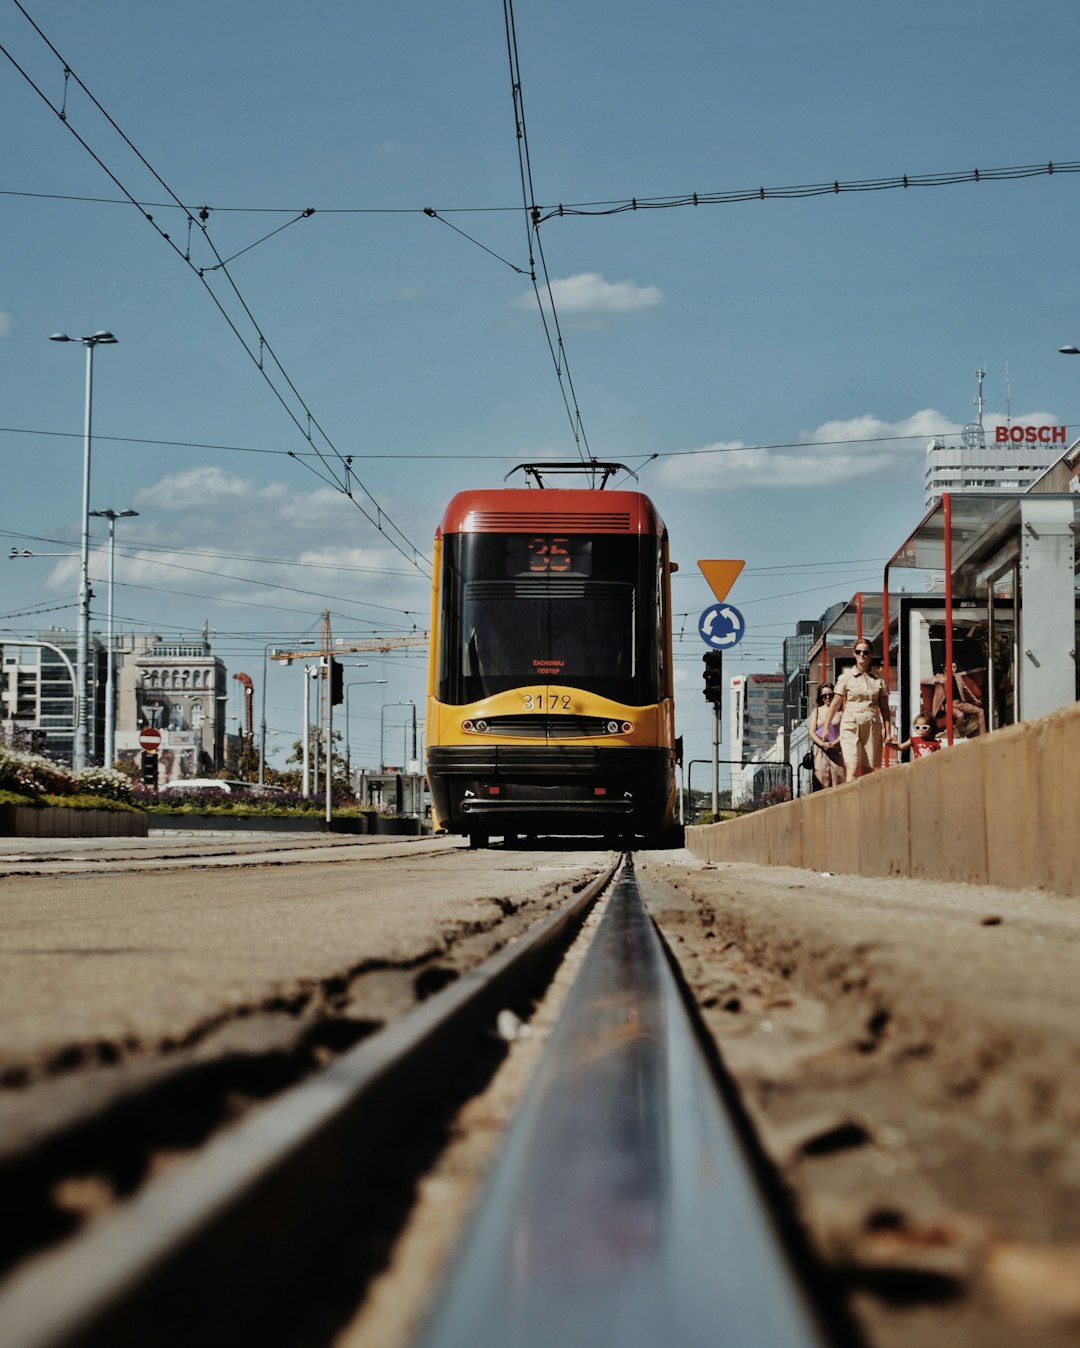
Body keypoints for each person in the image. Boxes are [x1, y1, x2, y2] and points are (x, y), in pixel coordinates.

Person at [826, 641, 891, 778]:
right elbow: (835, 704)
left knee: (868, 769)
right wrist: (826, 726)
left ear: (871, 654)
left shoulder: (879, 680)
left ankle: (865, 798)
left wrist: (888, 732)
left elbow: (885, 708)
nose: (862, 655)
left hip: (871, 724)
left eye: (866, 652)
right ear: (854, 654)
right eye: (858, 652)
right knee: (852, 765)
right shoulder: (846, 678)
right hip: (851, 723)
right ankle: (849, 799)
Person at [927, 663, 986, 737]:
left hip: (960, 703)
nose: (953, 669)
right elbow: (923, 680)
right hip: (949, 706)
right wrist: (937, 680)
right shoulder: (940, 677)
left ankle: (983, 736)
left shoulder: (957, 677)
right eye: (950, 667)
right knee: (960, 715)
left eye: (954, 667)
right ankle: (963, 737)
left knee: (980, 711)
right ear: (945, 668)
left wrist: (975, 700)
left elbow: (966, 689)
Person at [807, 682, 845, 788]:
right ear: (821, 697)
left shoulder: (840, 712)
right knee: (821, 782)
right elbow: (811, 732)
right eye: (824, 696)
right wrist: (822, 744)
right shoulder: (817, 712)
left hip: (837, 752)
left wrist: (834, 743)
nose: (827, 697)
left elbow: (845, 731)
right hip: (820, 752)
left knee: (839, 782)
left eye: (830, 695)